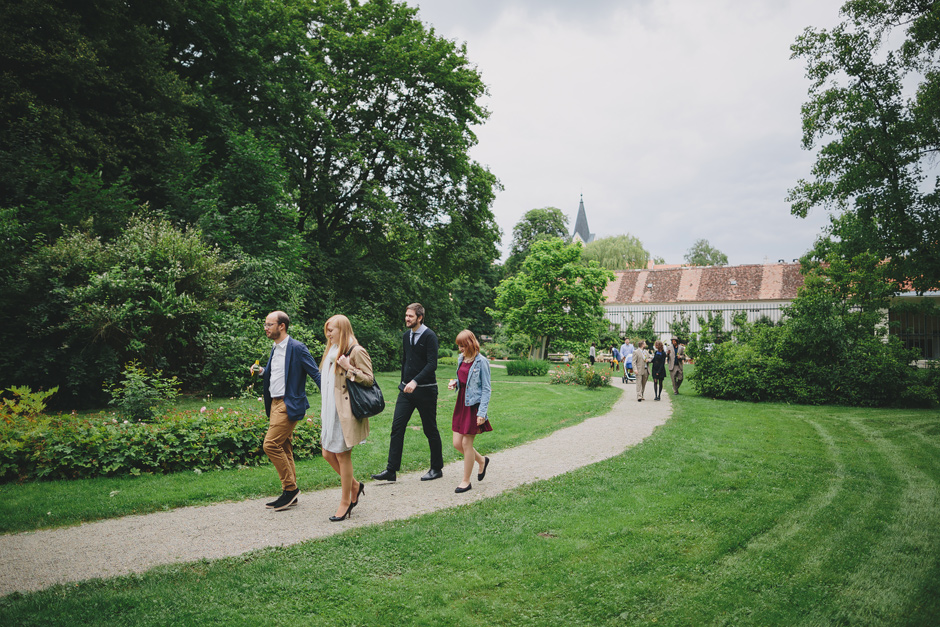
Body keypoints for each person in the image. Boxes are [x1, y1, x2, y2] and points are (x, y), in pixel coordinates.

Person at [252, 311, 321, 511]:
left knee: (271, 444)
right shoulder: (275, 347)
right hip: (274, 403)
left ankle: (290, 489)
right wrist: (262, 372)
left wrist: (331, 396)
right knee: (284, 446)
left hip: (288, 403)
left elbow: (315, 373)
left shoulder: (297, 348)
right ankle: (290, 492)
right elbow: (277, 373)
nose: (265, 328)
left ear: (281, 326)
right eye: (265, 324)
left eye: (269, 324)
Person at [372, 303, 444, 482]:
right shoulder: (406, 336)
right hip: (406, 391)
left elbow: (431, 364)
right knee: (397, 427)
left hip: (426, 391)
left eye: (410, 316)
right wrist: (404, 382)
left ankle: (436, 468)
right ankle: (391, 470)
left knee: (430, 429)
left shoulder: (429, 336)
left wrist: (415, 381)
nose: (407, 318)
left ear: (420, 317)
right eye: (406, 315)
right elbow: (406, 361)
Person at [319, 315, 373, 522]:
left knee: (342, 455)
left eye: (331, 330)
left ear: (343, 329)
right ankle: (355, 486)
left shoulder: (355, 350)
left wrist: (349, 367)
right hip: (330, 410)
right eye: (327, 330)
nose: (328, 334)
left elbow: (369, 380)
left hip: (345, 411)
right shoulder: (332, 349)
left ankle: (346, 501)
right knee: (326, 453)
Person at [448, 330, 493, 494]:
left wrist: (482, 412)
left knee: (467, 444)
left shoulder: (482, 362)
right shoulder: (461, 359)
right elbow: (463, 378)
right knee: (457, 443)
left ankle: (466, 481)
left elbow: (487, 389)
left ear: (470, 343)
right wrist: (455, 384)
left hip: (473, 406)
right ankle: (481, 460)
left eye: (462, 345)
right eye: (459, 346)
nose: (460, 349)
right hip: (461, 403)